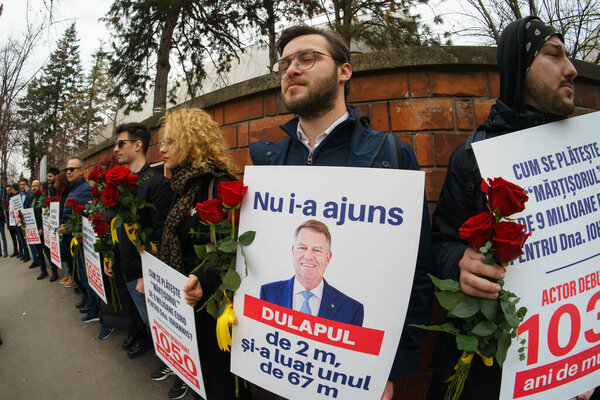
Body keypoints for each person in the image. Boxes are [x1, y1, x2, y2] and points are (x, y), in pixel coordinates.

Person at [249, 25, 434, 400]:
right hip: (271, 375)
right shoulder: (268, 163)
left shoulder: (390, 157)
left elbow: (417, 273)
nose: (291, 70)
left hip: (352, 381)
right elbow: (252, 262)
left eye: (307, 58)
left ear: (344, 71)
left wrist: (388, 367)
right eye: (284, 63)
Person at [427, 16, 597, 400]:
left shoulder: (590, 155)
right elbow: (440, 244)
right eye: (554, 55)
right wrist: (460, 262)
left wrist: (585, 360)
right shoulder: (472, 157)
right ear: (519, 67)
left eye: (569, 56)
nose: (571, 69)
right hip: (495, 370)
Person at [157, 108, 251, 400]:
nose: (162, 149)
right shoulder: (183, 186)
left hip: (211, 308)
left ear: (191, 141)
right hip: (185, 304)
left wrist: (204, 280)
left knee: (219, 381)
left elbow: (235, 249)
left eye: (170, 141)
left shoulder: (218, 184)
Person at [104, 122, 173, 357]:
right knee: (144, 321)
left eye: (120, 143)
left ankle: (174, 368)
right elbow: (120, 228)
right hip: (128, 267)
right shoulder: (122, 186)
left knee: (160, 326)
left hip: (144, 273)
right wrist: (114, 256)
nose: (115, 149)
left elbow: (159, 234)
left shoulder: (155, 183)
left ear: (138, 144)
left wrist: (146, 273)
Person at [260, 219, 364, 326]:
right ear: (293, 251)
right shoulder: (268, 294)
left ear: (328, 258)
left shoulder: (351, 311)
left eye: (317, 250)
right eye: (302, 248)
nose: (308, 256)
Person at [58, 157, 96, 322]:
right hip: (73, 241)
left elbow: (90, 218)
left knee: (87, 278)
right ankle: (89, 303)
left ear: (82, 171)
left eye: (73, 169)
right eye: (67, 169)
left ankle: (94, 310)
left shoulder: (85, 190)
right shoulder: (73, 189)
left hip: (83, 243)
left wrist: (72, 229)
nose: (69, 172)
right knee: (81, 276)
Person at [31, 179, 57, 281]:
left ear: (39, 187)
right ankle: (43, 270)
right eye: (32, 186)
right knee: (39, 252)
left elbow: (46, 215)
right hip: (34, 230)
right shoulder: (31, 199)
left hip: (43, 230)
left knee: (47, 251)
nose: (34, 187)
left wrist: (42, 227)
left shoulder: (43, 198)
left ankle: (54, 271)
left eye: (36, 186)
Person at [15, 181, 31, 263]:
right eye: (20, 185)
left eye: (23, 185)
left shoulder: (29, 194)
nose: (22, 186)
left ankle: (36, 258)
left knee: (30, 240)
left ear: (26, 185)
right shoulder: (19, 196)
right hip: (20, 219)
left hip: (29, 219)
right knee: (21, 239)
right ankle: (26, 254)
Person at [6, 185, 20, 257]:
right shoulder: (7, 197)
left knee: (18, 237)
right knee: (13, 237)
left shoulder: (14, 197)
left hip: (14, 220)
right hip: (9, 220)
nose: (8, 192)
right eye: (7, 190)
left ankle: (21, 251)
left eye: (9, 190)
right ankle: (15, 250)